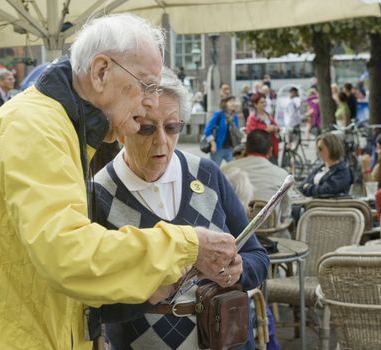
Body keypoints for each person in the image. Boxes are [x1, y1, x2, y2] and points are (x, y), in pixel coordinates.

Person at [0, 14, 237, 350]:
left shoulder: (56, 126)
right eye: (147, 85)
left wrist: (144, 286)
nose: (152, 102)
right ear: (101, 72)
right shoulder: (35, 127)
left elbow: (55, 269)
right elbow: (69, 257)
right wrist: (189, 244)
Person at [92, 69, 269, 350]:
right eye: (147, 128)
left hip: (224, 339)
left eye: (172, 127)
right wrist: (147, 293)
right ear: (122, 128)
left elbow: (258, 256)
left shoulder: (207, 173)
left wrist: (239, 270)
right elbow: (93, 305)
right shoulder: (100, 194)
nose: (162, 141)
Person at [223, 129, 291, 237]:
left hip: (233, 234)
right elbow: (286, 212)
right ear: (270, 151)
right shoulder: (282, 175)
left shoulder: (226, 169)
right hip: (270, 235)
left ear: (246, 149)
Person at [298, 132, 352, 198]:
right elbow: (301, 186)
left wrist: (308, 187)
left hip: (326, 206)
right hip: (312, 205)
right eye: (317, 149)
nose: (318, 152)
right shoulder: (320, 167)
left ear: (332, 148)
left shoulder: (342, 170)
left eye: (320, 149)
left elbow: (327, 190)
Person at [203, 96, 242, 166]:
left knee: (235, 169)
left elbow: (237, 132)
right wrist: (213, 143)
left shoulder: (234, 117)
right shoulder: (219, 114)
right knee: (214, 171)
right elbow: (207, 130)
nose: (233, 103)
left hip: (231, 149)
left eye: (234, 101)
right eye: (230, 102)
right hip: (218, 149)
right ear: (225, 103)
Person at [246, 93, 279, 163]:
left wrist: (275, 128)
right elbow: (251, 134)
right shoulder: (252, 118)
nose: (264, 104)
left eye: (265, 102)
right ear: (255, 104)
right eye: (261, 102)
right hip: (259, 151)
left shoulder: (268, 115)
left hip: (271, 148)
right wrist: (266, 130)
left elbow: (276, 126)